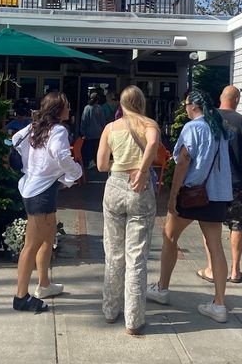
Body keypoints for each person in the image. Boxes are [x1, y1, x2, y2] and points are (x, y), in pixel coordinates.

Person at [147, 90, 233, 323]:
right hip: (217, 194)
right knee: (215, 247)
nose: (184, 109)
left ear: (193, 106)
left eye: (185, 104)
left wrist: (173, 193)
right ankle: (219, 303)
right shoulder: (220, 128)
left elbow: (183, 162)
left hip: (192, 192)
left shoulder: (193, 128)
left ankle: (162, 288)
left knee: (169, 237)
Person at [96, 86, 159, 336]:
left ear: (120, 105)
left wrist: (119, 164)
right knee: (136, 256)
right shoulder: (148, 124)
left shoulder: (110, 129)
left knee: (113, 253)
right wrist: (142, 170)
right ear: (141, 102)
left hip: (114, 185)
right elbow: (153, 144)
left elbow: (101, 165)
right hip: (139, 189)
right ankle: (134, 319)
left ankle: (111, 310)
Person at [11, 92, 82, 313]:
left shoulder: (35, 127)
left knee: (48, 236)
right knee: (31, 245)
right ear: (59, 110)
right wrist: (74, 173)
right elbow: (61, 155)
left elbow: (15, 140)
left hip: (36, 187)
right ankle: (21, 296)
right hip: (41, 191)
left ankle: (44, 284)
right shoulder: (59, 130)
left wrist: (30, 166)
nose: (69, 110)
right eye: (67, 106)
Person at [197, 86, 242, 284]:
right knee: (237, 225)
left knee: (210, 224)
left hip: (211, 182)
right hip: (236, 181)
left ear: (220, 98)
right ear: (237, 99)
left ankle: (211, 268)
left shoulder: (207, 119)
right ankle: (235, 271)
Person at [80, 90, 106, 169]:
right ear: (98, 100)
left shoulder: (87, 108)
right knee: (97, 148)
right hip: (98, 133)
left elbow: (84, 120)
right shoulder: (100, 108)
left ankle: (90, 162)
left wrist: (82, 132)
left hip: (89, 133)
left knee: (89, 149)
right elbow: (103, 121)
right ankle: (97, 162)